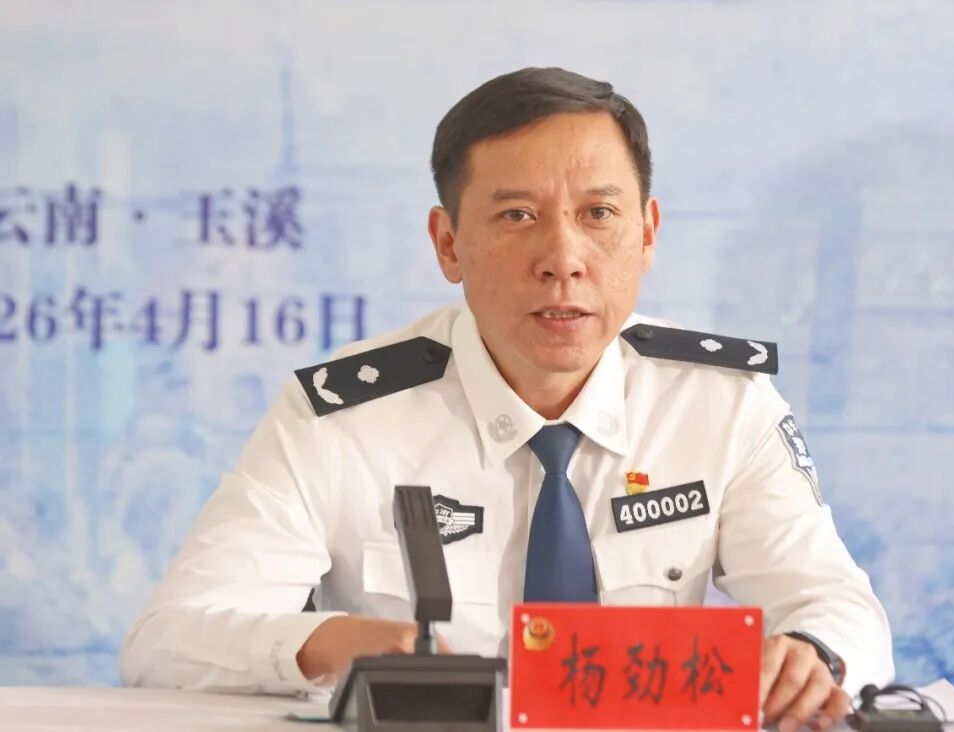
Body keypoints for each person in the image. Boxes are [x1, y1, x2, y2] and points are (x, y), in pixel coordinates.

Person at [120, 67, 893, 732]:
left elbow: (840, 607)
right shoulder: (343, 419)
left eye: (599, 214)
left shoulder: (719, 404)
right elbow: (167, 640)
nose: (563, 259)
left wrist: (812, 657)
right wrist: (327, 643)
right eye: (517, 216)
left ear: (648, 234)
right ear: (448, 243)